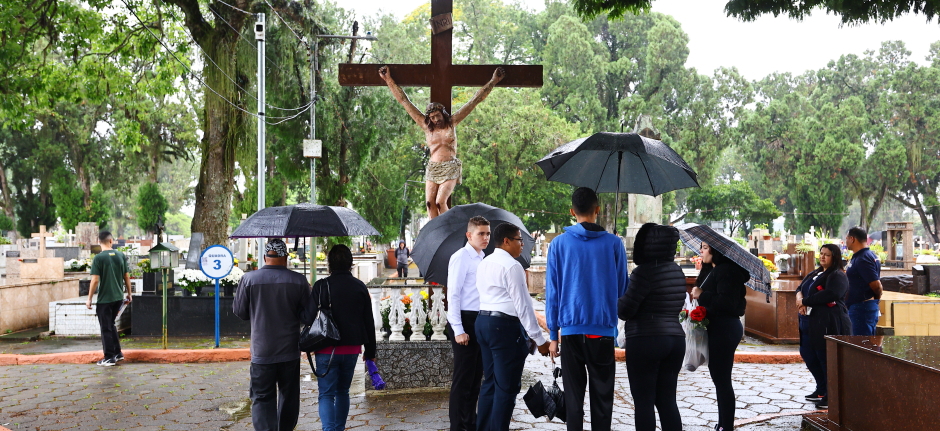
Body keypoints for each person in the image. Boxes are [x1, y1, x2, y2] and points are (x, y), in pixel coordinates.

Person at [545, 187, 628, 431]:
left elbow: (553, 293)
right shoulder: (614, 243)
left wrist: (553, 335)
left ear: (572, 211)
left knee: (573, 397)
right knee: (602, 396)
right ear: (597, 210)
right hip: (602, 331)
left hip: (571, 331)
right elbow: (622, 287)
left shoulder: (558, 245)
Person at [379, 65, 504, 219]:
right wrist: (388, 80)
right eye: (432, 117)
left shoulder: (452, 122)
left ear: (443, 114)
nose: (436, 119)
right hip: (433, 167)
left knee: (440, 202)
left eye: (438, 115)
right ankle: (435, 233)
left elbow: (474, 101)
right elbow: (404, 101)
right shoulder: (426, 127)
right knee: (430, 204)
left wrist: (493, 81)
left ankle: (448, 229)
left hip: (450, 166)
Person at [475, 222, 550, 431]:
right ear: (506, 241)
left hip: (483, 322)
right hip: (503, 327)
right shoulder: (512, 266)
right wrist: (540, 340)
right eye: (519, 240)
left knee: (490, 383)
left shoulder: (485, 262)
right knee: (506, 388)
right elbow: (523, 306)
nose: (522, 245)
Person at [234, 238, 312, 431]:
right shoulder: (298, 280)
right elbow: (308, 316)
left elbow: (240, 312)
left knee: (261, 397)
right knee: (289, 396)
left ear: (264, 257)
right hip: (289, 351)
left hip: (262, 351)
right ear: (285, 257)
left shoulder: (249, 280)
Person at [617, 223, 686, 431]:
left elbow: (625, 310)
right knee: (667, 400)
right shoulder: (677, 271)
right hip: (675, 339)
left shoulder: (643, 273)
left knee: (644, 401)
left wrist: (617, 297)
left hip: (646, 339)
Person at [304, 244, 377, 431]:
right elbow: (369, 322)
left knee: (326, 394)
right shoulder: (360, 287)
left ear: (329, 264)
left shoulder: (321, 286)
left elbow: (307, 318)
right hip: (352, 349)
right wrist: (370, 353)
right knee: (343, 391)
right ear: (351, 263)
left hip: (326, 349)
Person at [691, 242, 749, 431]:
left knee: (722, 379)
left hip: (725, 328)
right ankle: (723, 423)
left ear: (716, 251)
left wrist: (702, 295)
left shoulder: (727, 271)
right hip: (717, 327)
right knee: (718, 378)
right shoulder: (712, 270)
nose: (701, 250)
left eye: (706, 247)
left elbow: (727, 303)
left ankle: (727, 426)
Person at [446, 216, 491, 431]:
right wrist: (458, 329)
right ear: (469, 235)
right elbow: (453, 295)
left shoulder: (483, 258)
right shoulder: (461, 257)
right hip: (464, 320)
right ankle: (458, 426)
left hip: (479, 321)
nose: (486, 237)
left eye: (488, 233)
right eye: (481, 233)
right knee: (463, 380)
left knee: (475, 379)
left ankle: (470, 424)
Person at [795, 244, 852, 410]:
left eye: (826, 255)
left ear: (834, 257)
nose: (822, 257)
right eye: (821, 254)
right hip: (809, 321)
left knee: (824, 357)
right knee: (808, 354)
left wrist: (805, 301)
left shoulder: (837, 275)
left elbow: (832, 294)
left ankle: (830, 394)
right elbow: (800, 288)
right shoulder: (815, 273)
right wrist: (800, 298)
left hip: (828, 321)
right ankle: (821, 388)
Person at [85, 231, 132, 367]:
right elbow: (126, 276)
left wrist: (89, 299)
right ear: (111, 241)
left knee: (106, 327)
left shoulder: (99, 258)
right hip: (118, 297)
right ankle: (117, 353)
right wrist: (129, 294)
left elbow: (94, 280)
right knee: (111, 325)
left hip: (105, 299)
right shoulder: (120, 255)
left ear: (99, 241)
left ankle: (109, 357)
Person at [844, 226, 883, 336]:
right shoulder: (860, 256)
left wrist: (875, 300)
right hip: (858, 306)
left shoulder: (863, 258)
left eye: (846, 238)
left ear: (852, 239)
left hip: (862, 308)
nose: (846, 241)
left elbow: (876, 285)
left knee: (861, 344)